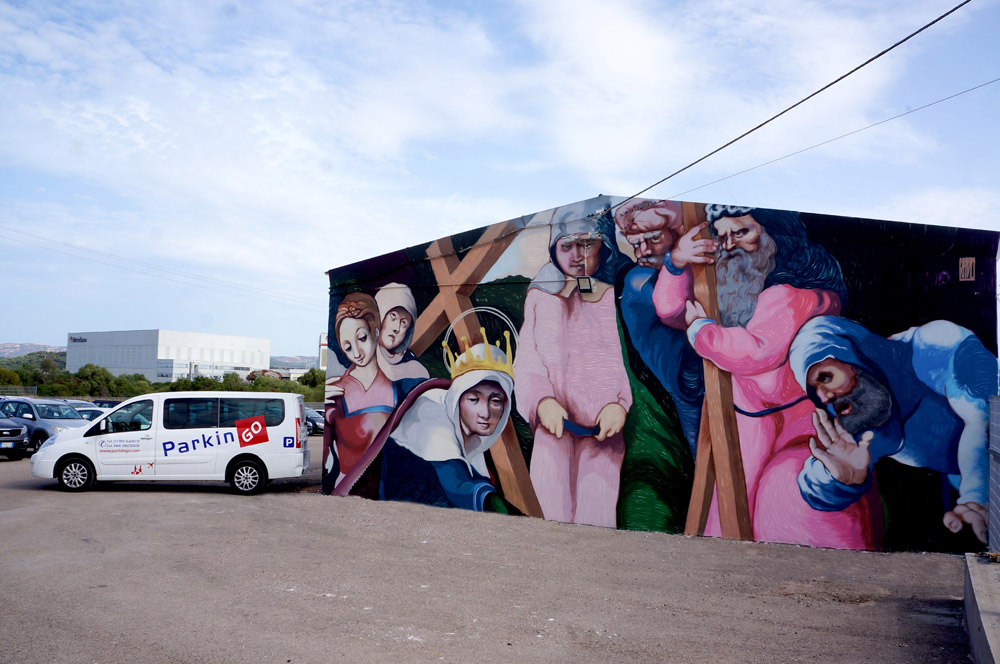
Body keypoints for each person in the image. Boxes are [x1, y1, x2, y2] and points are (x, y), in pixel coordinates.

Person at [652, 204, 881, 550]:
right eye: (722, 236)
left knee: (784, 500)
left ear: (776, 234)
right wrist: (676, 263)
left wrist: (702, 332)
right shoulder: (733, 283)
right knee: (732, 509)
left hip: (799, 425)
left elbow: (756, 352)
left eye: (742, 232)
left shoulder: (796, 294)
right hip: (749, 423)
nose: (729, 245)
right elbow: (673, 312)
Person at [790, 315, 996, 544]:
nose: (824, 397)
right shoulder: (864, 421)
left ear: (853, 355)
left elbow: (986, 415)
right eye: (815, 393)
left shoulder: (934, 344)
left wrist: (975, 494)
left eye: (826, 377)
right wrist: (838, 480)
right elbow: (815, 485)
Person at [515, 201, 633, 528]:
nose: (577, 255)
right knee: (548, 513)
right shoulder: (541, 295)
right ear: (554, 249)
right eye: (566, 246)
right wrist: (541, 401)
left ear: (603, 246)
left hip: (603, 432)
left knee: (596, 514)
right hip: (554, 428)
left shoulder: (616, 295)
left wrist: (620, 404)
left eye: (587, 244)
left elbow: (626, 361)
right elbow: (528, 359)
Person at [612, 198, 701, 532]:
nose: (643, 251)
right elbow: (675, 310)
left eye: (652, 239)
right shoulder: (638, 280)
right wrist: (676, 262)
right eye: (636, 244)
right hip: (685, 380)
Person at [377, 331, 520, 514]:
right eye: (473, 400)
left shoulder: (467, 428)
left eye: (495, 401)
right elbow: (459, 488)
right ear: (457, 398)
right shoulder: (430, 411)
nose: (485, 413)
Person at [321, 292, 418, 497]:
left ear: (376, 331)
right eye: (347, 347)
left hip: (394, 492)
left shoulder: (400, 386)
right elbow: (327, 457)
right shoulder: (336, 392)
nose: (357, 353)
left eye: (362, 338)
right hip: (348, 491)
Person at [374, 283, 430, 381]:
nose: (397, 328)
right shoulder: (358, 353)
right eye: (393, 316)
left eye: (403, 323)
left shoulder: (415, 370)